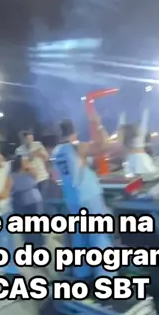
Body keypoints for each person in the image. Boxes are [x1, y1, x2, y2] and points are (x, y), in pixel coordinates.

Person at [52, 109, 114, 275]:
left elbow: (57, 177)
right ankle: (105, 277)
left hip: (72, 199)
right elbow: (105, 146)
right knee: (99, 235)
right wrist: (98, 124)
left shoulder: (56, 152)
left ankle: (82, 274)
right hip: (88, 195)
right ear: (75, 131)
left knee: (81, 236)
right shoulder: (77, 147)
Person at [15, 131, 49, 195]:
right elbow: (25, 161)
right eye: (28, 139)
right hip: (30, 179)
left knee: (44, 196)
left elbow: (46, 157)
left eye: (31, 138)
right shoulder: (19, 150)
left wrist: (35, 153)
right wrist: (35, 152)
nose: (30, 141)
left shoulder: (38, 144)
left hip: (42, 176)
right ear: (23, 139)